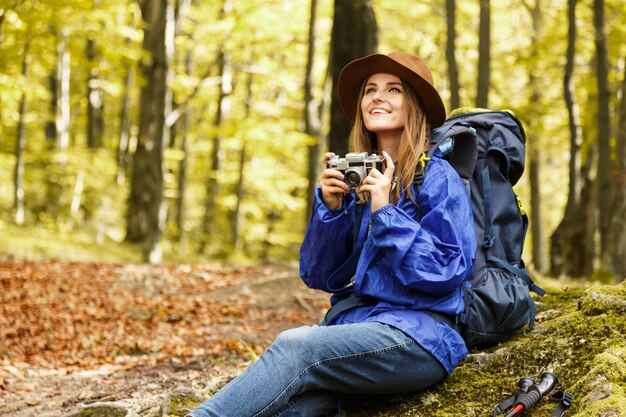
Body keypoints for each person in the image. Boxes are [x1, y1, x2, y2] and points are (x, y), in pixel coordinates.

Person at [187, 51, 476, 417]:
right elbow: (320, 276)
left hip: (420, 338)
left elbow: (447, 269)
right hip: (360, 330)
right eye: (370, 90)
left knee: (297, 346)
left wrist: (386, 212)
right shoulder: (354, 179)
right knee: (295, 409)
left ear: (415, 104)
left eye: (393, 90)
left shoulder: (437, 178)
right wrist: (331, 209)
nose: (377, 97)